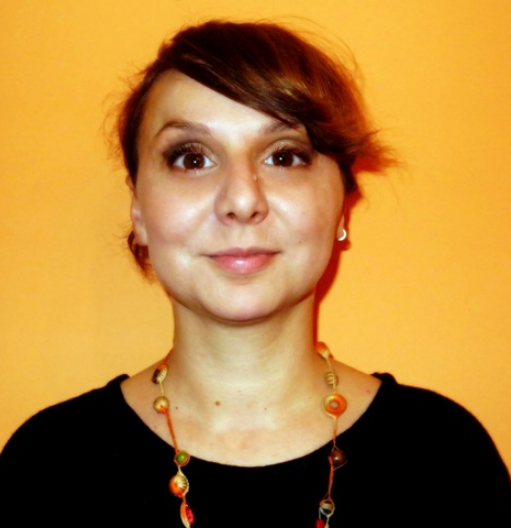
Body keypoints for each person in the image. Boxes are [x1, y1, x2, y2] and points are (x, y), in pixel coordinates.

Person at [0, 20, 509, 527]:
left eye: (284, 156)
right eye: (192, 158)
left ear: (341, 207)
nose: (242, 200)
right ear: (140, 212)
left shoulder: (446, 457)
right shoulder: (45, 466)